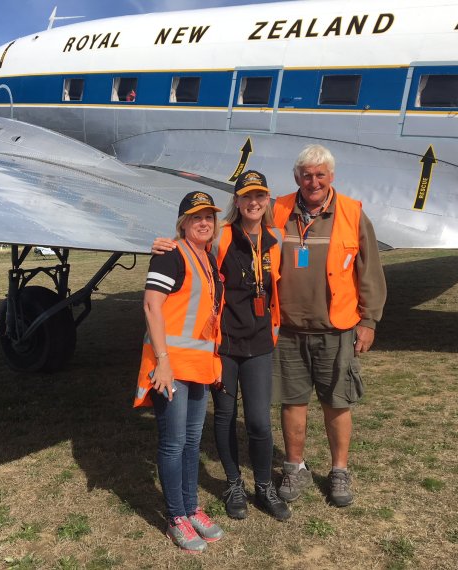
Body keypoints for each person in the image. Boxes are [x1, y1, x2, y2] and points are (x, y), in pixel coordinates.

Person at [151, 171, 291, 522]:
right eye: (247, 196)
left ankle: (263, 486)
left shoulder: (278, 237)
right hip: (224, 345)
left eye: (260, 195)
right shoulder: (221, 237)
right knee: (225, 417)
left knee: (259, 422)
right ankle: (232, 484)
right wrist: (161, 244)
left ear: (267, 199)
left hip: (259, 343)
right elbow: (186, 247)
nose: (254, 202)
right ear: (238, 201)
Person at [272, 144, 387, 508]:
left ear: (331, 177)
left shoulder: (352, 213)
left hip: (336, 328)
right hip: (287, 327)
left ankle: (339, 471)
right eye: (306, 175)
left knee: (337, 403)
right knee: (292, 401)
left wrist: (368, 320)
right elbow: (236, 238)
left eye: (320, 174)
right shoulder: (277, 209)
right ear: (297, 178)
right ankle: (295, 466)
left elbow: (369, 271)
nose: (313, 181)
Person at [134, 191, 225, 553]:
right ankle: (175, 517)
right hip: (170, 367)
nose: (204, 222)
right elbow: (151, 305)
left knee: (191, 442)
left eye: (209, 217)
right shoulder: (171, 253)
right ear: (183, 223)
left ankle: (191, 508)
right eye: (196, 217)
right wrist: (163, 361)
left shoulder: (207, 256)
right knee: (173, 443)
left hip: (198, 367)